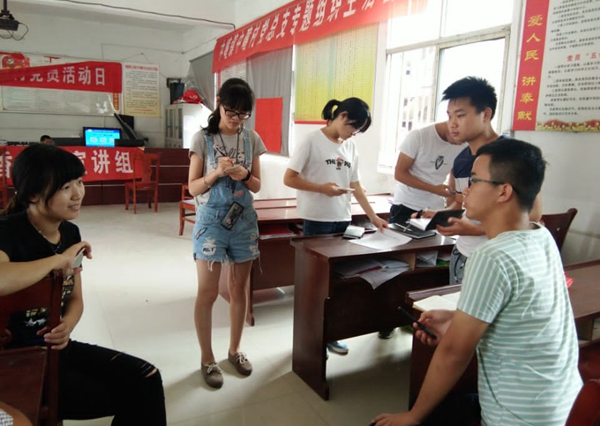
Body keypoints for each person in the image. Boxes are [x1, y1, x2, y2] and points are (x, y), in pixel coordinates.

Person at [371, 139, 582, 426]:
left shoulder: (493, 256)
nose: (465, 191)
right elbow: (519, 311)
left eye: (474, 181)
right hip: (562, 405)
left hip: (516, 418)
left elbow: (453, 353)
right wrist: (456, 318)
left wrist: (413, 417)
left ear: (503, 191)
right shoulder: (540, 235)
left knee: (418, 414)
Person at [0, 144, 166, 425]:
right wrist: (58, 261)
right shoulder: (7, 230)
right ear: (33, 194)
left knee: (147, 379)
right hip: (14, 363)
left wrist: (67, 325)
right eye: (66, 187)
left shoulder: (70, 232)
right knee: (136, 395)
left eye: (79, 181)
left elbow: (75, 298)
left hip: (57, 351)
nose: (78, 193)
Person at [283, 97, 388, 356]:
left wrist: (373, 217)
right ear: (342, 116)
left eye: (358, 131)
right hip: (317, 221)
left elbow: (356, 186)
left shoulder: (350, 146)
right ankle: (312, 339)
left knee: (335, 285)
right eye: (354, 127)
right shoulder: (311, 140)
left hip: (342, 221)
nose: (354, 134)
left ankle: (330, 334)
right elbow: (289, 178)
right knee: (315, 285)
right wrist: (322, 188)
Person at [188, 78, 266, 389]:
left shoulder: (252, 139)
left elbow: (257, 185)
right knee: (207, 293)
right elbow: (193, 188)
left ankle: (234, 350)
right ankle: (207, 359)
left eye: (243, 114)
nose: (236, 119)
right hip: (210, 222)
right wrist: (217, 173)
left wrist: (244, 175)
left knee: (239, 289)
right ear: (219, 104)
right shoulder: (202, 139)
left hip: (243, 220)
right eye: (231, 112)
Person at [424, 77, 541, 284]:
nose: (452, 123)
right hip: (463, 253)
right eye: (449, 116)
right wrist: (443, 215)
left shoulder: (512, 155)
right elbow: (460, 202)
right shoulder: (461, 159)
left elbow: (533, 213)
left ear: (486, 114)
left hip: (497, 259)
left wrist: (477, 230)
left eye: (460, 115)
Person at [379, 121, 465, 339]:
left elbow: (454, 183)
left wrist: (452, 207)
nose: (460, 142)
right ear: (451, 118)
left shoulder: (463, 142)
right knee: (398, 267)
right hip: (405, 207)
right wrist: (435, 189)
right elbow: (400, 173)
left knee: (427, 266)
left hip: (434, 211)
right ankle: (387, 320)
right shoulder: (419, 136)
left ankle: (416, 315)